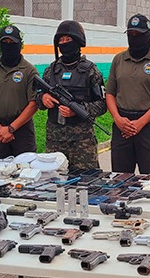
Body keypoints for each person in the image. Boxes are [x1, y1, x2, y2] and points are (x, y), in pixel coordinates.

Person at [105, 14, 150, 173]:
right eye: (131, 34)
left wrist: (141, 122)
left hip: (148, 127)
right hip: (122, 124)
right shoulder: (119, 60)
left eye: (138, 35)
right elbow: (110, 93)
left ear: (148, 35)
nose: (134, 38)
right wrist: (117, 119)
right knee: (120, 179)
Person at [37, 20, 106, 171]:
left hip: (82, 142)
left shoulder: (90, 71)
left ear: (78, 41)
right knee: (54, 185)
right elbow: (37, 97)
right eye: (61, 40)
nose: (64, 43)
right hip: (55, 140)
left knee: (87, 184)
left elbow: (102, 104)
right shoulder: (51, 71)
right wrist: (43, 98)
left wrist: (79, 109)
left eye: (68, 40)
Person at [0, 24, 39, 160]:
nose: (8, 45)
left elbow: (33, 104)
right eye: (4, 42)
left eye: (12, 42)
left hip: (22, 130)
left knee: (26, 173)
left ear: (20, 45)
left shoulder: (29, 70)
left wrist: (11, 128)